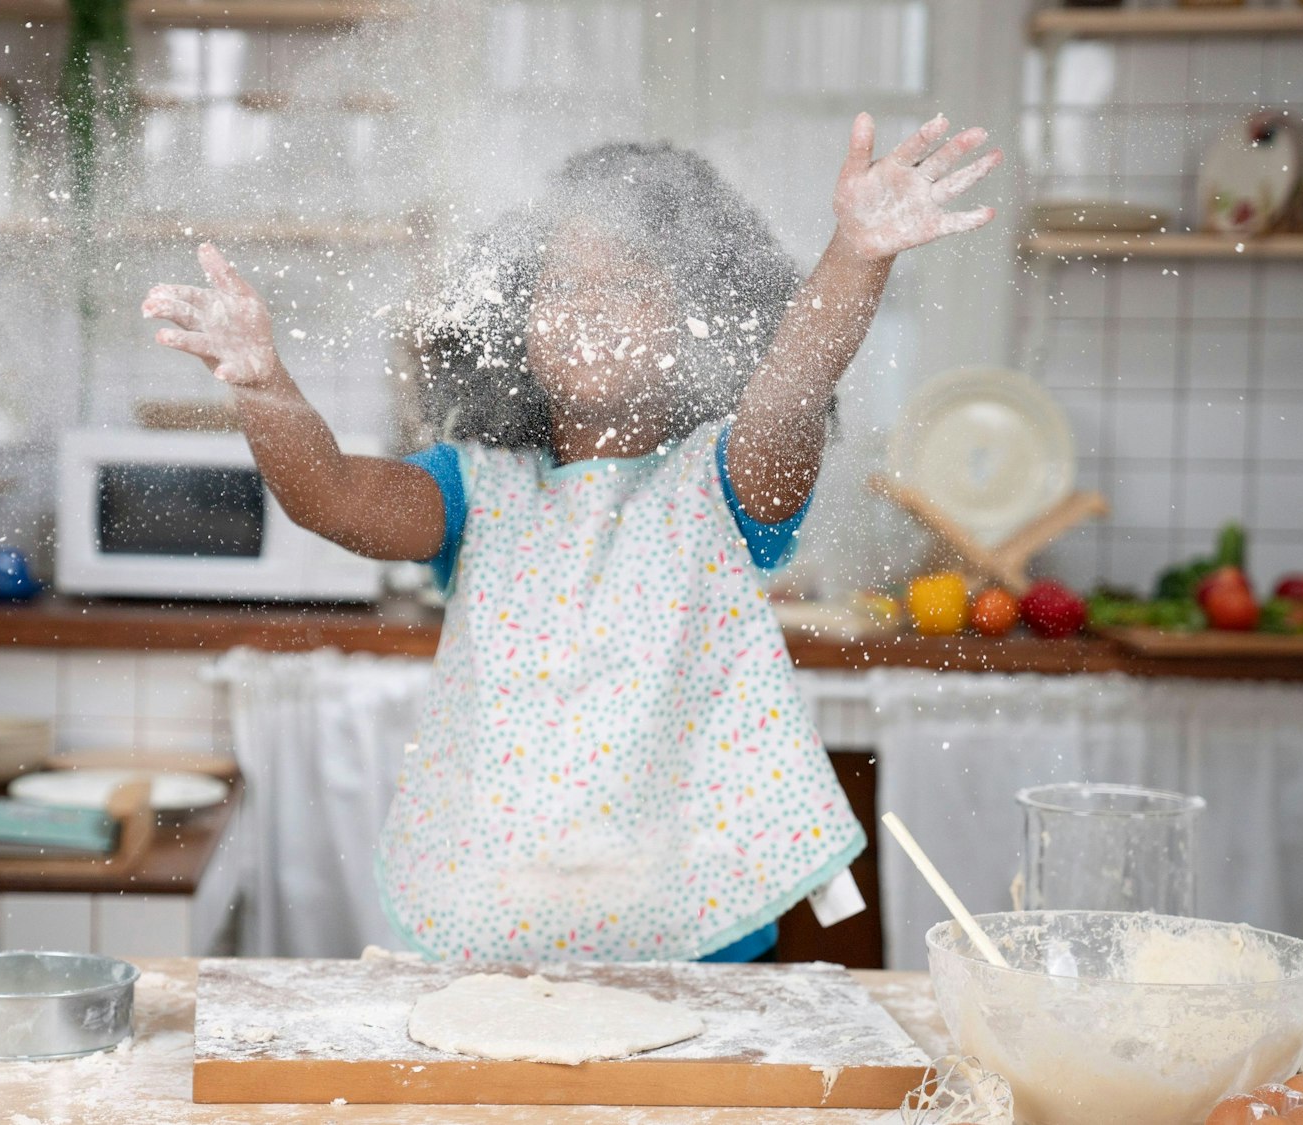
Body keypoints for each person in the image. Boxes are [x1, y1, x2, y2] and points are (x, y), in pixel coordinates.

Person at [142, 114, 1001, 962]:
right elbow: (330, 494)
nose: (588, 308)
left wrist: (856, 254)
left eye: (625, 283)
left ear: (701, 312)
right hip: (498, 928)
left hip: (697, 940)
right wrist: (265, 386)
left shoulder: (726, 481)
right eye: (560, 285)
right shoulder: (475, 488)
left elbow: (794, 384)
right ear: (515, 323)